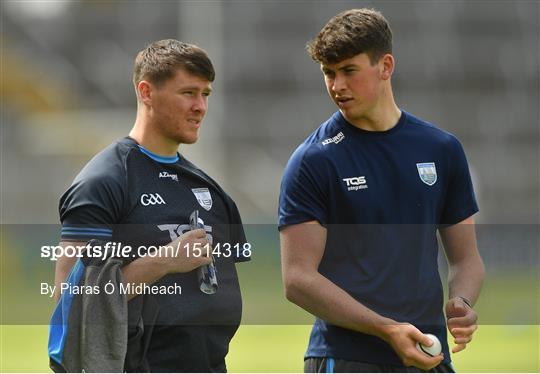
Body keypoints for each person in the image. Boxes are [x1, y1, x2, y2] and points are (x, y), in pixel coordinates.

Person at [279, 9, 485, 373]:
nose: (337, 85)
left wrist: (462, 301)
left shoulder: (441, 149)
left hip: (428, 355)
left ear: (385, 66)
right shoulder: (313, 160)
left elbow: (466, 259)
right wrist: (388, 330)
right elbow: (298, 280)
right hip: (346, 359)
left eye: (348, 71)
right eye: (329, 72)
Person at [51, 39, 249, 372]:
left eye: (206, 94)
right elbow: (71, 305)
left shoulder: (206, 187)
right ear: (146, 92)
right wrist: (163, 261)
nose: (200, 106)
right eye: (188, 93)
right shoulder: (104, 181)